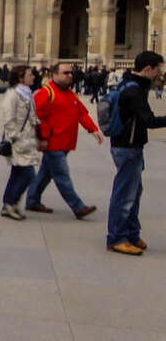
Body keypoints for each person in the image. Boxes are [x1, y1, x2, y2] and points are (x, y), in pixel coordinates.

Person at [106, 51, 166, 255]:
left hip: (129, 146)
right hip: (127, 147)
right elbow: (149, 120)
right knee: (124, 195)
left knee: (133, 192)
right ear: (148, 69)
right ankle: (117, 238)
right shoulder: (134, 92)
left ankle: (131, 233)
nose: (160, 73)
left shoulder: (132, 85)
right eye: (158, 68)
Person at [26, 62, 102, 219]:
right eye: (66, 73)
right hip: (53, 143)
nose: (70, 75)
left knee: (45, 174)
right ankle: (78, 206)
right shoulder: (46, 93)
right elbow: (37, 117)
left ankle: (32, 200)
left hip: (66, 142)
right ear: (54, 75)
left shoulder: (70, 94)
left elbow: (81, 113)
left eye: (71, 73)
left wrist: (92, 128)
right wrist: (43, 138)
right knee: (62, 175)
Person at [0, 65, 41, 220]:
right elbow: (8, 117)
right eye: (30, 75)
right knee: (28, 174)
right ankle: (11, 202)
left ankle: (8, 205)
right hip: (18, 141)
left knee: (17, 173)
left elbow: (32, 116)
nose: (34, 77)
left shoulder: (27, 94)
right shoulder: (13, 95)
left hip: (27, 139)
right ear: (20, 77)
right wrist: (15, 136)